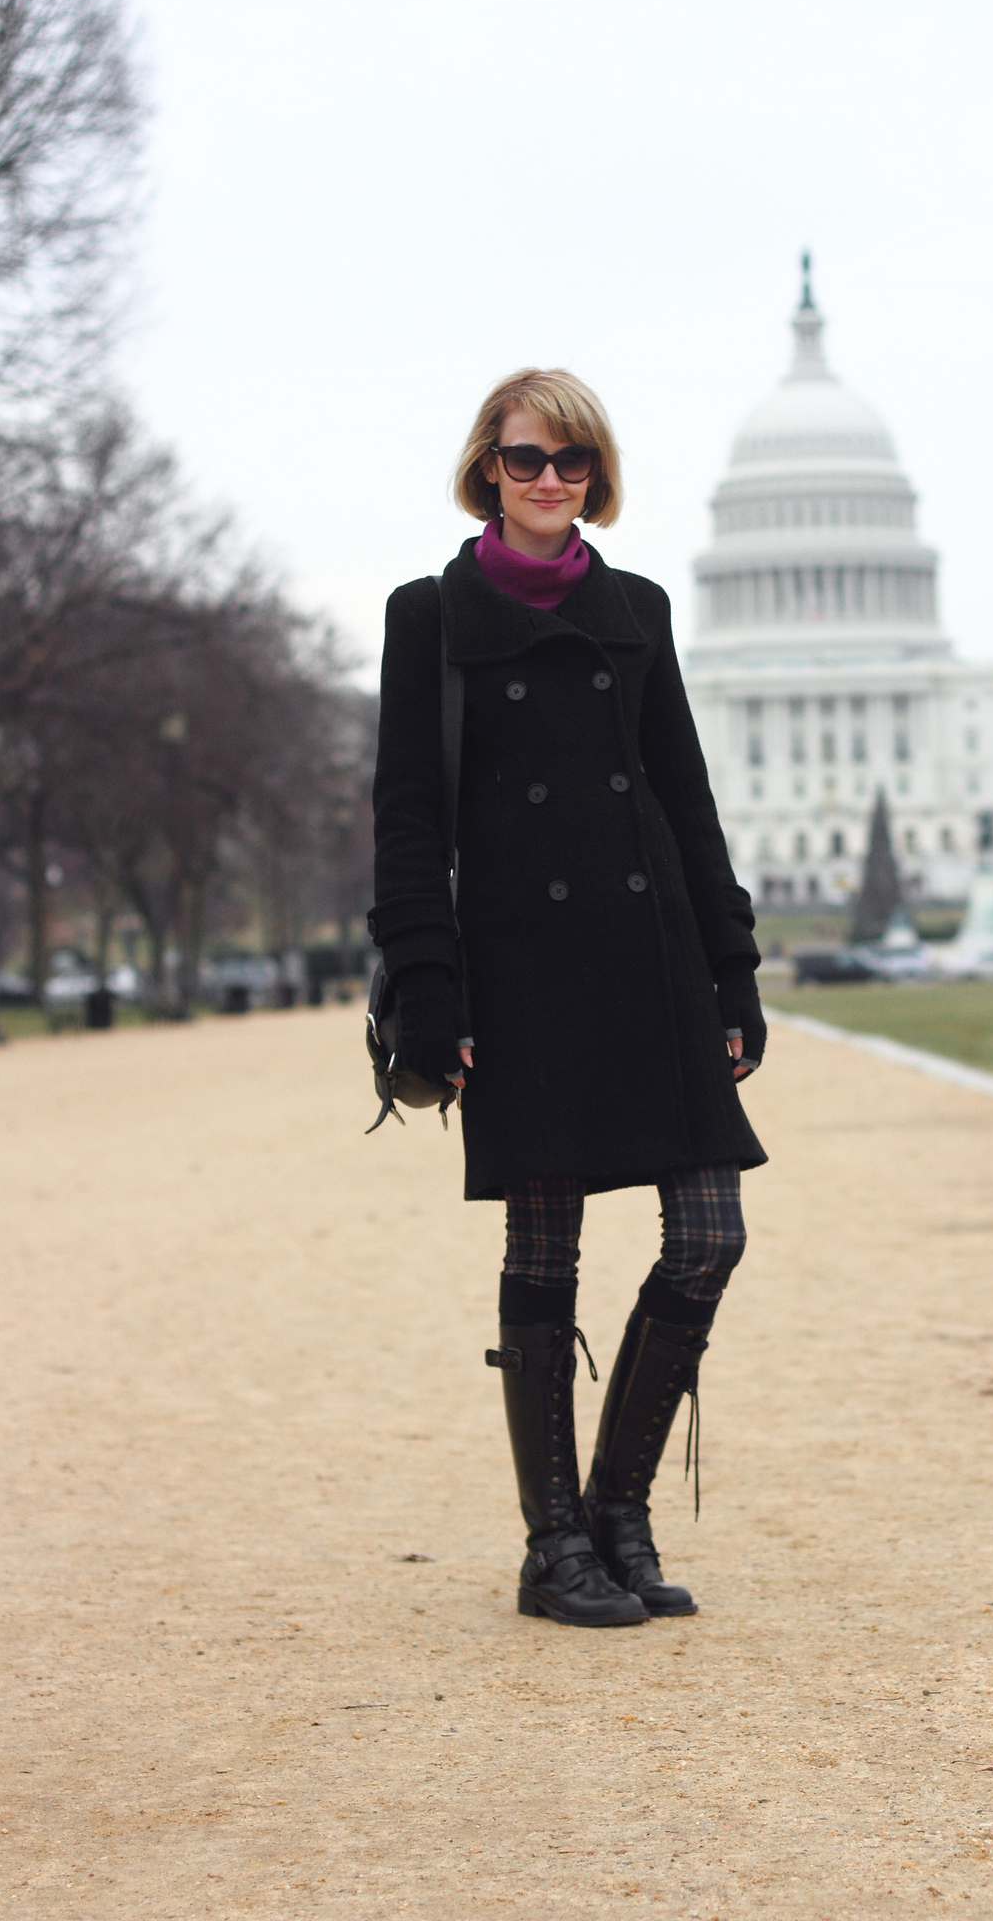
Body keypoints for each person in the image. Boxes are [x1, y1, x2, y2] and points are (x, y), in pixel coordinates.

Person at [368, 368, 767, 1627]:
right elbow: (408, 817)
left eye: (575, 463)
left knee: (709, 1231)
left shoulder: (637, 607)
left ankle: (618, 1509)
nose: (552, 482)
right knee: (547, 1249)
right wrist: (430, 990)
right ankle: (555, 1544)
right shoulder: (429, 616)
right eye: (530, 459)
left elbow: (684, 797)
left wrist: (733, 965)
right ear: (489, 463)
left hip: (648, 957)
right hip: (521, 966)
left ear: (597, 474)